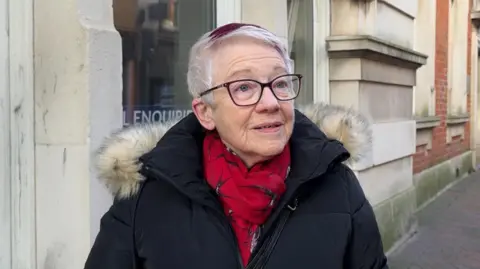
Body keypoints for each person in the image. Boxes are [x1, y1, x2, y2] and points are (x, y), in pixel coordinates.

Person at [84, 23, 388, 269]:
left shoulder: (336, 184)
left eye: (281, 83)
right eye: (243, 87)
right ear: (205, 112)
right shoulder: (145, 195)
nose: (270, 103)